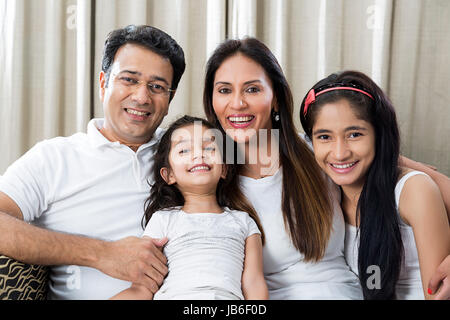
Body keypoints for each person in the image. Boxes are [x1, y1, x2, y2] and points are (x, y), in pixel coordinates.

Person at [0, 25, 186, 299]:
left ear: (169, 100)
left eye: (157, 87)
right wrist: (102, 254)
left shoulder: (188, 154)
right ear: (103, 84)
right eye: (129, 79)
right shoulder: (54, 158)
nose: (142, 97)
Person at [203, 38, 364, 299]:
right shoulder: (205, 177)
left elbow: (401, 177)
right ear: (211, 101)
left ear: (275, 98)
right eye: (224, 90)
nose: (237, 103)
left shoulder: (319, 149)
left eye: (252, 89)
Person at [299, 70, 450, 299]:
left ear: (379, 135)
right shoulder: (328, 195)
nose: (339, 153)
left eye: (355, 134)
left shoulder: (413, 191)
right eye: (324, 137)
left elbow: (437, 293)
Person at [111, 115, 268, 300]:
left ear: (224, 168)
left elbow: (254, 283)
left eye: (209, 147)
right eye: (184, 150)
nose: (198, 154)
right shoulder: (163, 220)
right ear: (168, 175)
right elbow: (142, 288)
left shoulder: (244, 222)